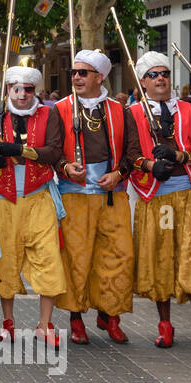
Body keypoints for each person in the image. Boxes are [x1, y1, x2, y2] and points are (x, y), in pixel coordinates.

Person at [126, 52, 191, 353]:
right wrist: (149, 166)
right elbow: (128, 153)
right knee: (162, 258)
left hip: (188, 195)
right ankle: (165, 327)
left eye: (165, 73)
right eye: (154, 75)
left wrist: (180, 157)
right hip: (156, 199)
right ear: (143, 82)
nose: (161, 78)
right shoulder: (132, 113)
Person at [52, 51, 135, 345]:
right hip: (73, 195)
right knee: (76, 259)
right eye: (74, 72)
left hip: (112, 195)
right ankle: (76, 319)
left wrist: (119, 173)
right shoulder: (60, 109)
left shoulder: (120, 110)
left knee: (119, 256)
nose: (76, 77)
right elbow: (52, 151)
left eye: (83, 72)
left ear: (100, 77)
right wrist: (64, 167)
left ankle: (110, 315)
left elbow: (132, 153)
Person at [0, 64, 66, 347]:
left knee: (48, 259)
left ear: (36, 91)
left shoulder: (49, 114)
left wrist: (20, 150)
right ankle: (8, 322)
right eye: (15, 89)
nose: (21, 95)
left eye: (27, 90)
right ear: (7, 90)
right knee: (6, 261)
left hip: (39, 196)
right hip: (1, 198)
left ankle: (45, 324)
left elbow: (54, 151)